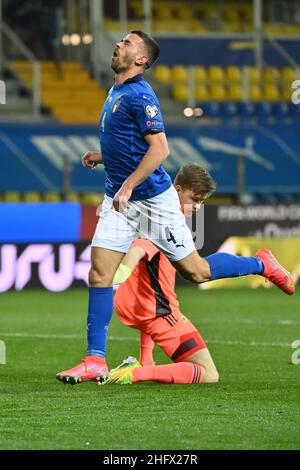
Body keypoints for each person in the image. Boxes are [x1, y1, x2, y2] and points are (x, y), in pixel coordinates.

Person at [56, 32, 295, 385]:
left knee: (196, 272)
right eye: (120, 40)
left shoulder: (141, 95)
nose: (119, 44)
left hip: (151, 201)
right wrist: (104, 157)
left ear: (141, 59)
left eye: (127, 42)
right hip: (119, 198)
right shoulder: (116, 91)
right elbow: (132, 146)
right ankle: (96, 360)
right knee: (99, 275)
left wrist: (128, 185)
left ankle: (262, 263)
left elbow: (160, 150)